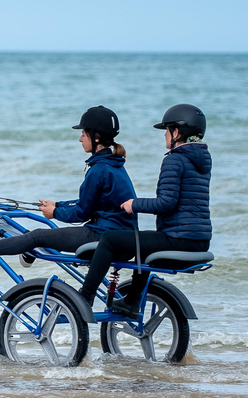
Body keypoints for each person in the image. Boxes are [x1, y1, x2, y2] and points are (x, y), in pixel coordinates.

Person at [0, 105, 137, 266]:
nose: (80, 139)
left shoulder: (99, 169)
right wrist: (58, 206)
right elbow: (91, 203)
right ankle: (27, 249)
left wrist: (54, 213)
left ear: (96, 137)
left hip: (103, 236)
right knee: (38, 236)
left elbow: (82, 212)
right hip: (115, 236)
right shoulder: (114, 165)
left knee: (37, 236)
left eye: (83, 133)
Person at [78, 103, 212, 316]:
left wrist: (134, 204)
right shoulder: (201, 160)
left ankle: (83, 299)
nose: (165, 136)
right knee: (144, 241)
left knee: (111, 239)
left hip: (179, 239)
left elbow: (167, 203)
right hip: (199, 241)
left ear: (177, 132)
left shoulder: (175, 160)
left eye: (167, 130)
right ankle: (131, 301)